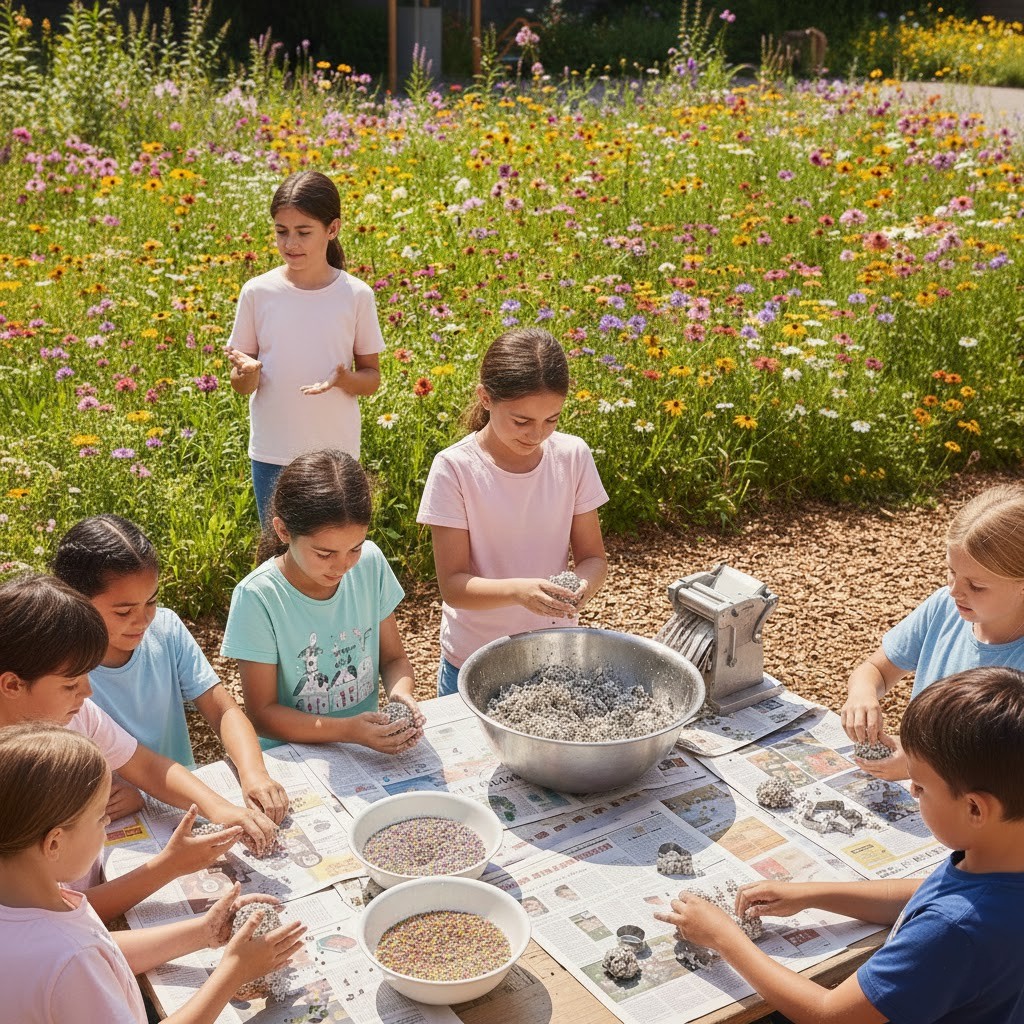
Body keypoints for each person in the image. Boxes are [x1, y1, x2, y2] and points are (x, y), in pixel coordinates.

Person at [655, 666, 1024, 1024]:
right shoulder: (995, 856)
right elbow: (921, 893)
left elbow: (829, 1015)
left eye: (921, 786)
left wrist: (724, 938)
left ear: (975, 808)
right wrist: (813, 894)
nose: (911, 792)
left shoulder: (950, 931)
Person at [0, 574, 278, 922]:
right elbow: (60, 916)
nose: (87, 693)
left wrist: (221, 810)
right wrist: (168, 867)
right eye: (71, 684)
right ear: (12, 684)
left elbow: (146, 766)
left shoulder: (75, 713)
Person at [0, 722, 305, 1024]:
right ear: (54, 843)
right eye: (99, 818)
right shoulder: (72, 961)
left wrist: (205, 932)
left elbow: (106, 951)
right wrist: (233, 972)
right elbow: (83, 958)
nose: (107, 823)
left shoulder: (28, 898)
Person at [52, 513, 289, 824]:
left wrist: (254, 773)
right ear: (76, 601)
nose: (142, 620)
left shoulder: (165, 630)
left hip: (185, 797)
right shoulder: (60, 675)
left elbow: (223, 710)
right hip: (107, 816)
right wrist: (133, 793)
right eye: (124, 611)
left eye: (151, 601)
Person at [416, 327, 609, 696]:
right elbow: (454, 586)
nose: (537, 435)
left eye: (551, 420)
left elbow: (593, 558)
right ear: (485, 398)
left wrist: (584, 587)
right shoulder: (455, 468)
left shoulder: (572, 456)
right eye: (521, 421)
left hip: (555, 652)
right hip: (475, 660)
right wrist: (520, 591)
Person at [221, 448, 423, 753]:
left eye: (354, 548)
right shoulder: (258, 597)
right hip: (294, 754)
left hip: (361, 744)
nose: (342, 566)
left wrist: (401, 694)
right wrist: (347, 731)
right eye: (324, 554)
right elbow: (262, 715)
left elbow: (393, 659)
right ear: (283, 531)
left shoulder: (370, 564)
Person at [224, 169, 385, 523]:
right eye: (281, 232)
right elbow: (241, 385)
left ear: (333, 229)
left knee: (333, 554)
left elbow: (371, 379)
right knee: (277, 551)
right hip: (272, 453)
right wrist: (247, 373)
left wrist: (344, 380)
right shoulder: (257, 292)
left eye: (303, 232)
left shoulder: (356, 295)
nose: (290, 244)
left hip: (336, 458)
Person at [841, 483, 1024, 780]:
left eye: (976, 586)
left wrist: (921, 766)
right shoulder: (944, 608)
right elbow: (876, 669)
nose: (954, 591)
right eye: (951, 571)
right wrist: (862, 694)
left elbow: (1005, 771)